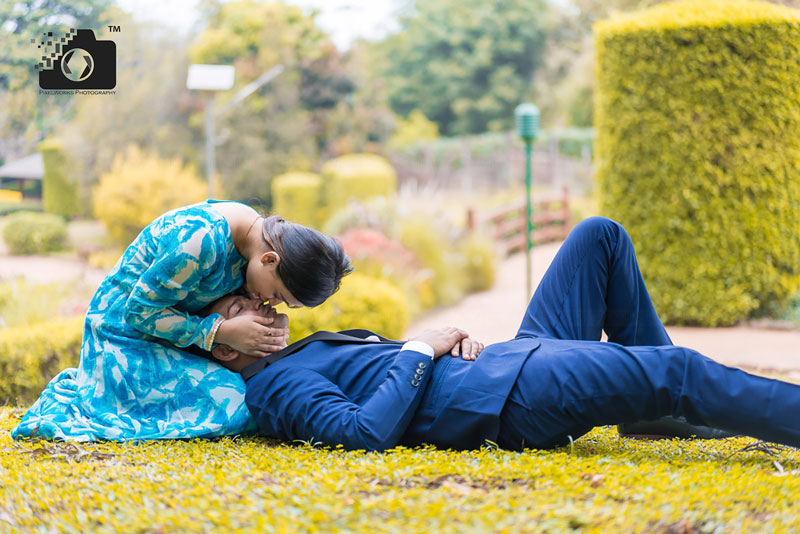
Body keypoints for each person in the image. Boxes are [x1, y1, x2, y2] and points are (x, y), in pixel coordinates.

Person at [203, 217, 800, 451]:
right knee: (679, 372)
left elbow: (395, 376)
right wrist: (419, 348)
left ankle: (650, 411)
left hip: (504, 360)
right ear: (226, 348)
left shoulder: (307, 349)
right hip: (510, 397)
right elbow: (361, 434)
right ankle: (666, 396)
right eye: (243, 308)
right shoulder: (274, 388)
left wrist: (448, 344)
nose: (262, 303)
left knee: (600, 237)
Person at [12, 200, 352, 441]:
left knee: (257, 394)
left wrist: (260, 326)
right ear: (270, 259)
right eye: (278, 295)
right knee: (238, 402)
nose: (271, 301)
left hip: (172, 340)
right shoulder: (201, 240)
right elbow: (139, 312)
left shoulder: (249, 236)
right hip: (124, 340)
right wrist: (222, 331)